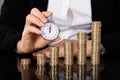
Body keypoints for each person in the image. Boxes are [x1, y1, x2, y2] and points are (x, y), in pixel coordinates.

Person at [0, 0, 120, 80]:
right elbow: (3, 28)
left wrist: (96, 45)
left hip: (100, 64)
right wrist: (21, 44)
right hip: (33, 62)